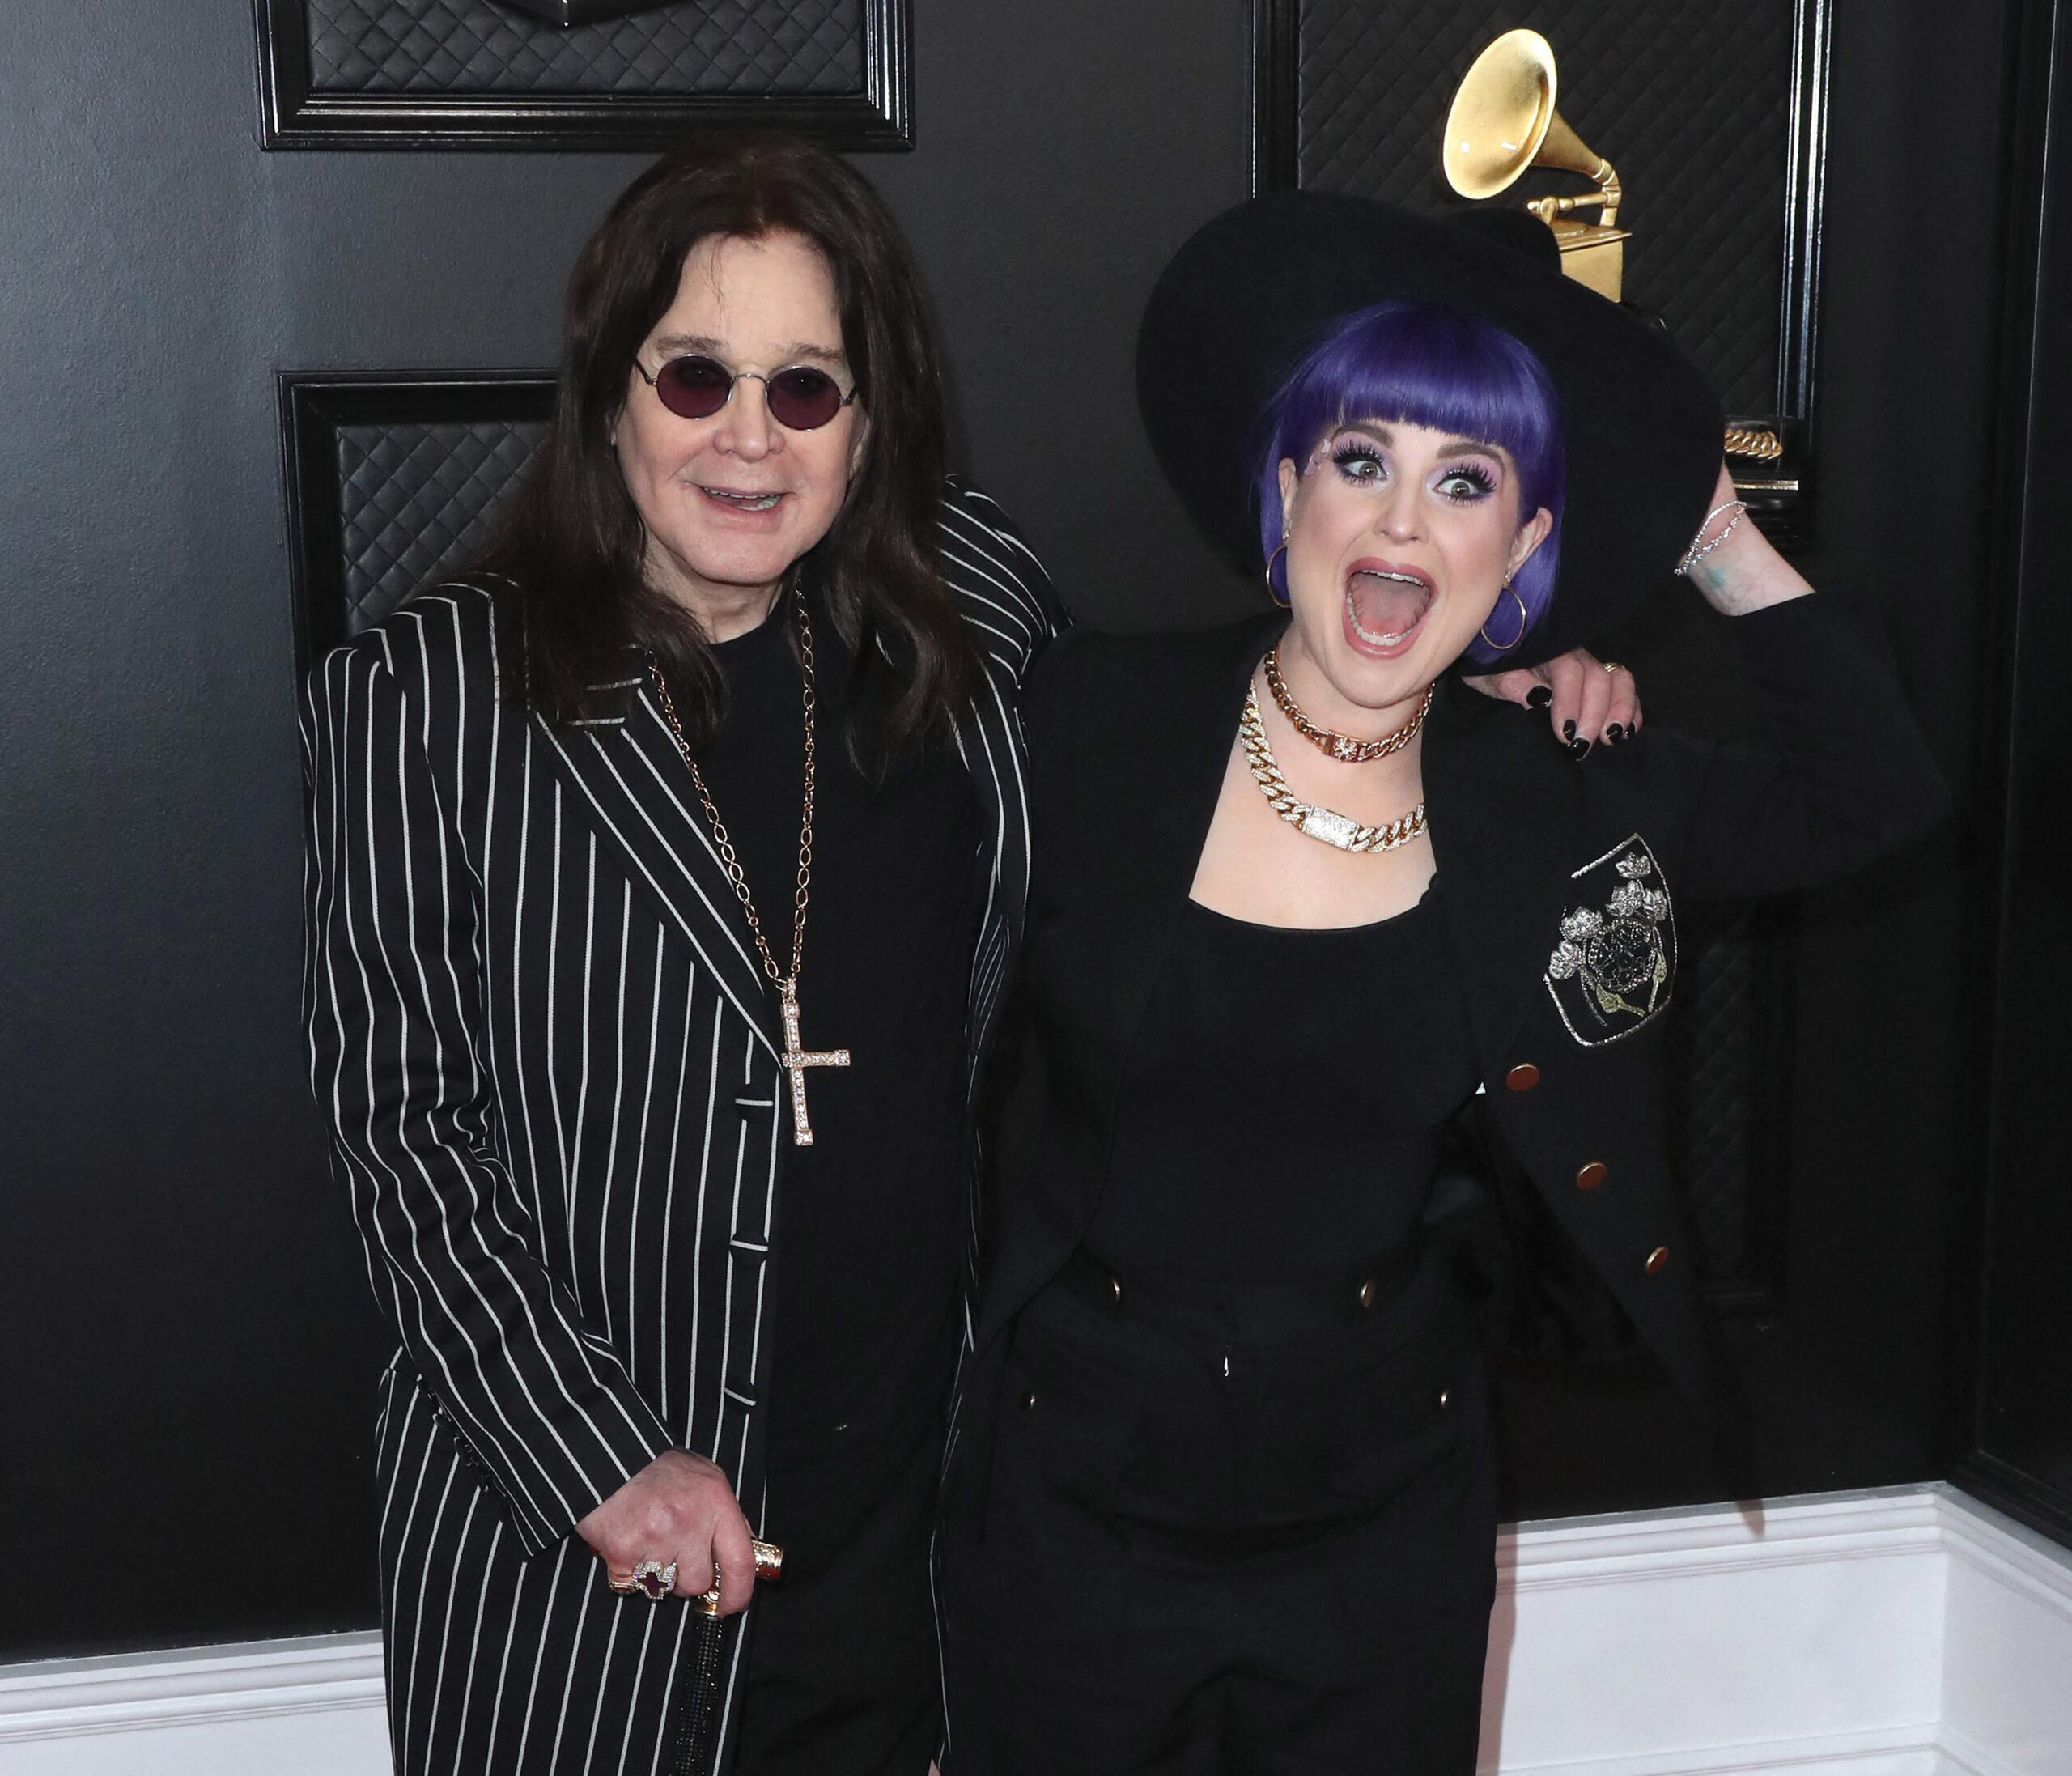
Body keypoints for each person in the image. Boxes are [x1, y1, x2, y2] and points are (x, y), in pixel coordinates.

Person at [302, 139, 1638, 1774]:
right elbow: (403, 1136)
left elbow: (1204, 744)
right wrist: (597, 1460)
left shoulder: (967, 609)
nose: (746, 433)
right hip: (599, 1525)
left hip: (921, 1502)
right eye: (697, 375)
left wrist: (1459, 686)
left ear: (865, 428)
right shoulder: (426, 699)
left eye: (805, 388)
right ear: (609, 395)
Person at [936, 191, 1947, 1775]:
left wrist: (1710, 535)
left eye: (1462, 481)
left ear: (1523, 544)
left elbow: (1868, 794)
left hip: (1382, 1515)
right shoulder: (1087, 729)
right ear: (1284, 489)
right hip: (1071, 1506)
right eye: (1359, 460)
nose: (1401, 526)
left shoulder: (1557, 786)